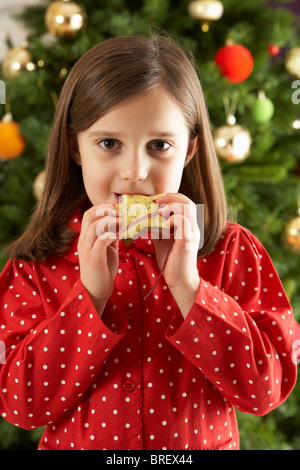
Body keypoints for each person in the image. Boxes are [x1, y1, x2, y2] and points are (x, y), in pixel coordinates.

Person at [0, 34, 297, 451]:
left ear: (190, 149)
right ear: (75, 147)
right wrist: (90, 297)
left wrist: (191, 289)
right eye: (109, 143)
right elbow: (19, 405)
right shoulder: (37, 265)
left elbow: (267, 389)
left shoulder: (231, 251)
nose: (136, 171)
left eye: (160, 145)